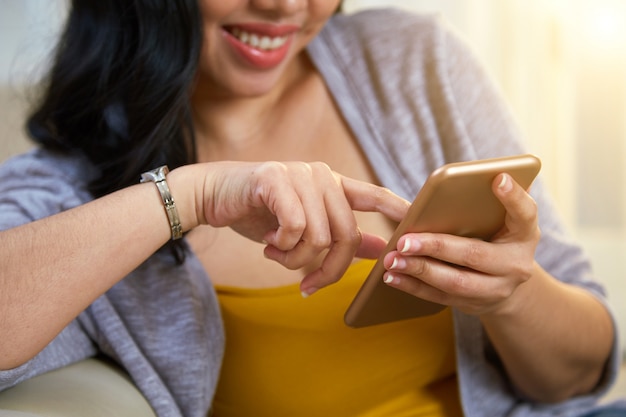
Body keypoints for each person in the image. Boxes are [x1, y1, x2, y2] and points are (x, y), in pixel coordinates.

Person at [0, 0, 624, 416]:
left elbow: (582, 372)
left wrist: (513, 296)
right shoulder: (72, 191)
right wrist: (192, 195)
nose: (284, 6)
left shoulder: (410, 60)